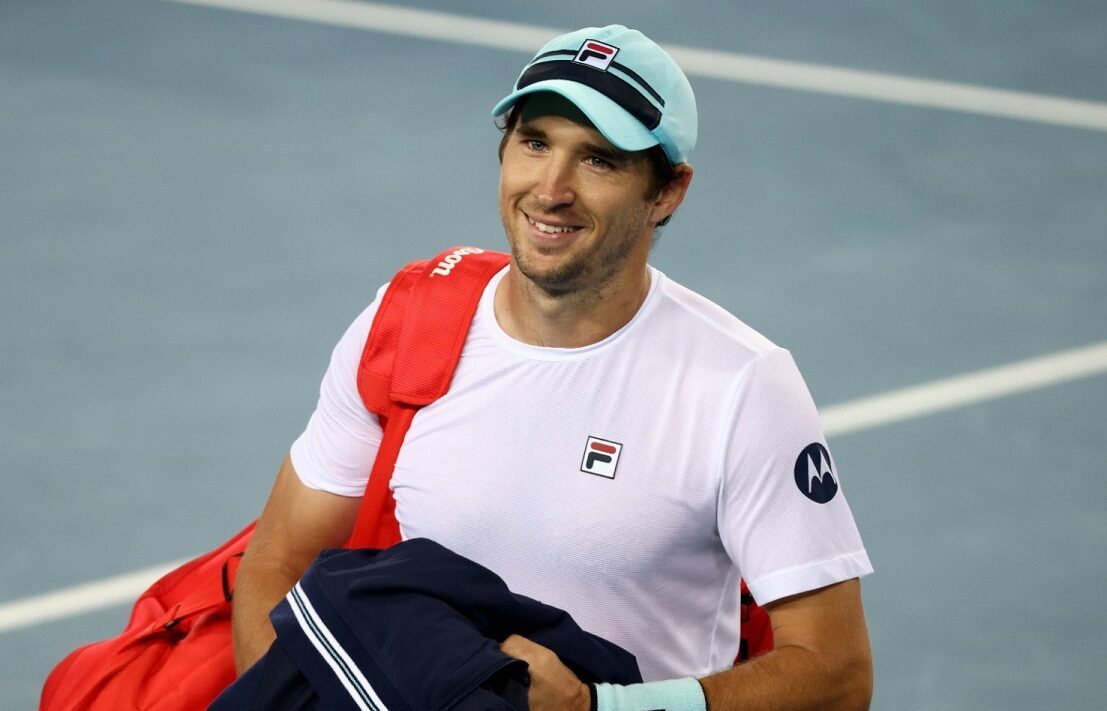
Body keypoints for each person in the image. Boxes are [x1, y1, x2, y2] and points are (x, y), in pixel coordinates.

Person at [232, 24, 874, 711]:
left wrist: (601, 708)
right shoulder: (408, 321)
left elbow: (836, 673)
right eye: (535, 143)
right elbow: (277, 561)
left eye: (598, 160)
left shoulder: (742, 385)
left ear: (667, 192)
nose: (551, 189)